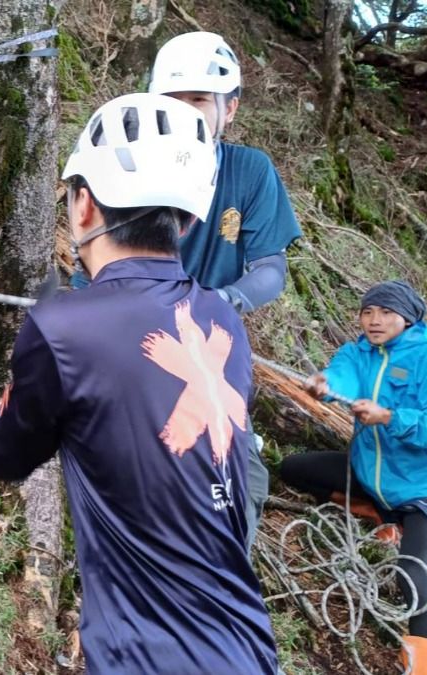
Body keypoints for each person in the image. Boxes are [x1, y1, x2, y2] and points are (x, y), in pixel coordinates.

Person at [0, 92, 278, 674]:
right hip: (247, 647)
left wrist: (24, 371)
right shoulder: (224, 324)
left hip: (144, 657)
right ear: (190, 220)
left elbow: (5, 455)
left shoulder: (63, 327)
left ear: (85, 206)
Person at [151, 31, 304, 550]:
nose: (186, 114)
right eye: (172, 102)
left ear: (229, 108)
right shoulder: (135, 160)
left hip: (208, 345)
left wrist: (227, 300)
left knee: (244, 481)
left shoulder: (248, 172)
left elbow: (269, 268)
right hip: (139, 335)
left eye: (198, 100)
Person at [278, 280, 427, 675]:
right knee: (293, 469)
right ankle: (379, 514)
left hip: (426, 490)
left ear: (408, 317)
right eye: (367, 312)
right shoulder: (360, 352)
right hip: (372, 475)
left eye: (384, 312)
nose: (374, 321)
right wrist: (327, 385)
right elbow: (343, 375)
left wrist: (390, 417)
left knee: (413, 575)